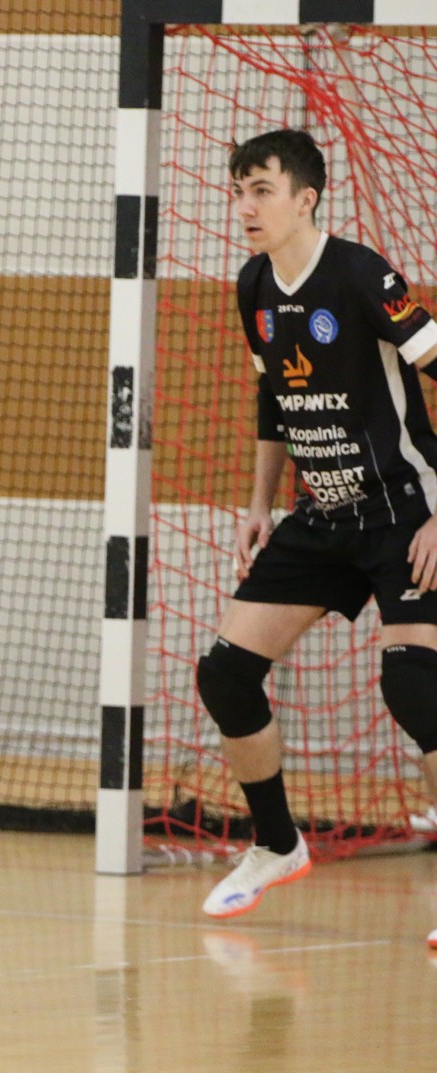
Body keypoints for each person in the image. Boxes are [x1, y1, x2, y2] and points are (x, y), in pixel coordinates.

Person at [195, 128, 437, 935]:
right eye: (238, 190)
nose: (245, 206)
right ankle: (276, 845)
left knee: (415, 687)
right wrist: (259, 505)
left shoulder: (362, 275)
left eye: (261, 189)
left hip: (407, 512)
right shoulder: (254, 284)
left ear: (306, 199)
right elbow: (275, 401)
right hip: (322, 513)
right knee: (226, 674)